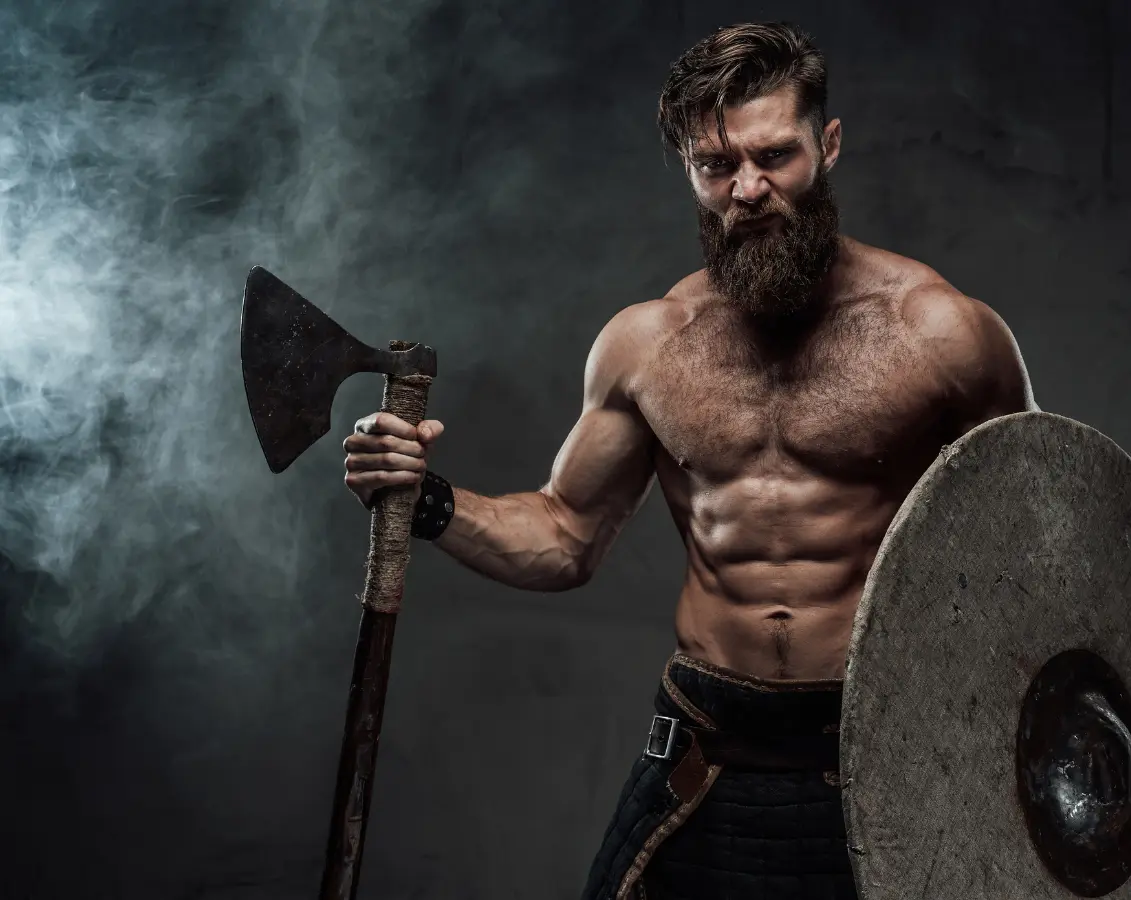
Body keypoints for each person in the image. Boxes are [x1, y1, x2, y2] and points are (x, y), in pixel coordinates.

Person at [342, 21, 1035, 900]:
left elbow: (1038, 547)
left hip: (888, 746)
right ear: (688, 170)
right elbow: (564, 535)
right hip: (708, 748)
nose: (747, 188)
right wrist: (425, 500)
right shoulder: (647, 347)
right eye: (715, 167)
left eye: (774, 155)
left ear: (827, 145)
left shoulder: (943, 332)